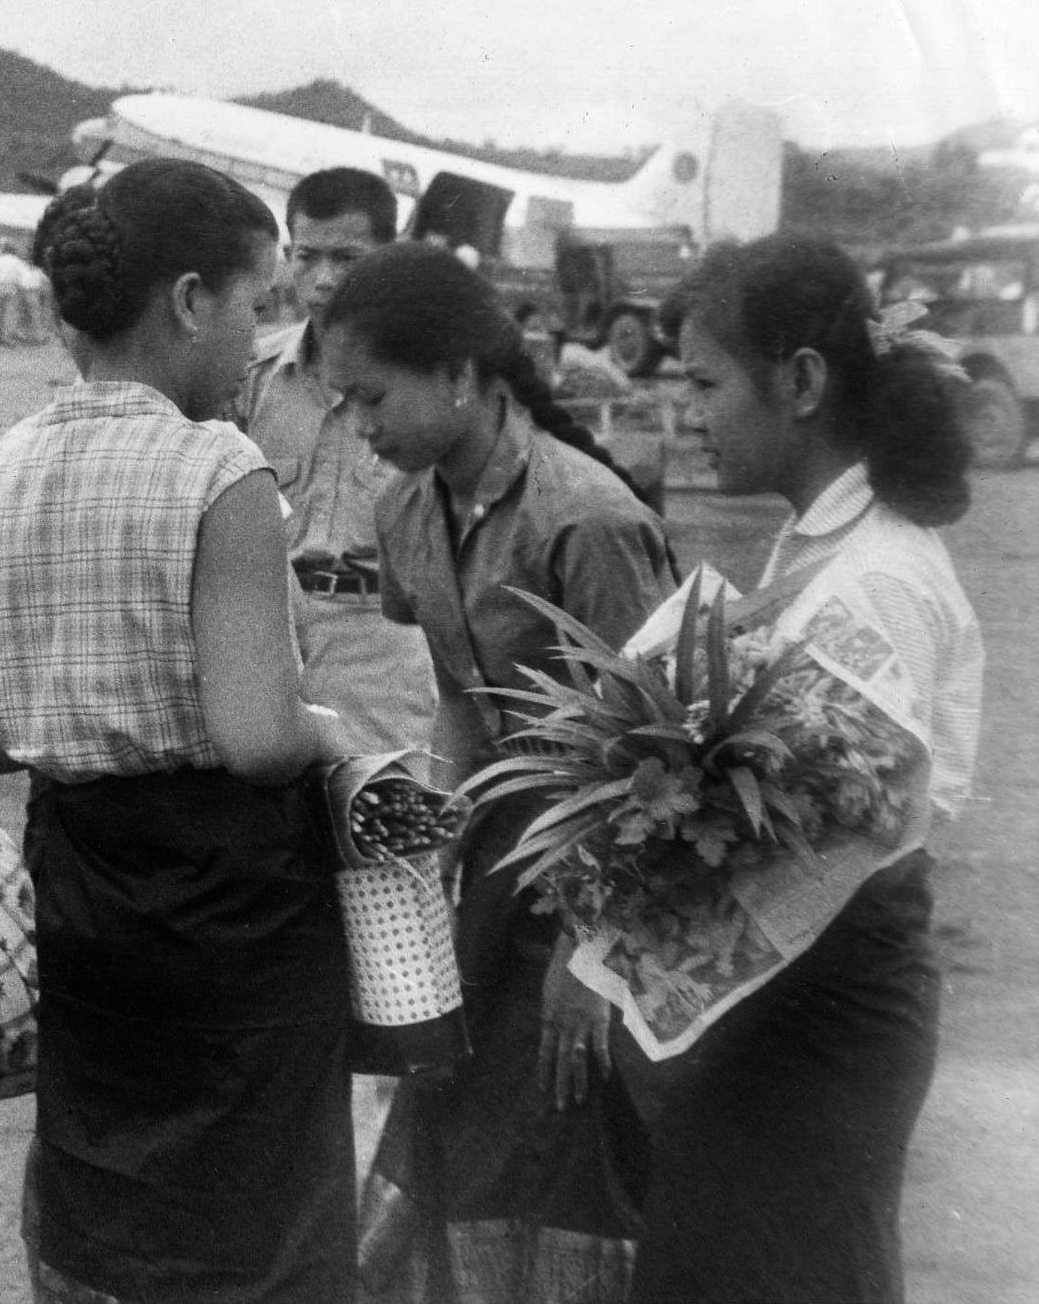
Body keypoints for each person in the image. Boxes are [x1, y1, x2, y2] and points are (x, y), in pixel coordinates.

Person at [0, 157, 359, 1303]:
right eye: (255, 304)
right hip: (229, 910)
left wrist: (72, 711)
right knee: (253, 1225)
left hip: (81, 887)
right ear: (191, 300)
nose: (257, 341)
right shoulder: (221, 467)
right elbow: (257, 738)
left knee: (101, 1198)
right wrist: (330, 730)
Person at [621, 232, 983, 1304]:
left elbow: (853, 820)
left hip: (826, 999)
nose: (689, 414)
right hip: (792, 989)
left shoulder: (878, 574)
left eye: (705, 384)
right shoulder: (824, 540)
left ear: (804, 381)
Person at [319, 241, 675, 1303]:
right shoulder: (404, 509)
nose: (359, 425)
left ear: (461, 376)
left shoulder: (588, 517)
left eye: (373, 397)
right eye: (345, 401)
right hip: (494, 877)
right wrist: (429, 848)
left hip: (601, 880)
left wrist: (590, 954)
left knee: (567, 1138)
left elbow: (655, 759)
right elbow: (458, 701)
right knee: (463, 1130)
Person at [237, 167, 437, 754]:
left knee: (385, 802)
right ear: (287, 257)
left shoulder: (431, 387)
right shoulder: (251, 377)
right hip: (268, 647)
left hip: (385, 653)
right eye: (307, 257)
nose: (324, 278)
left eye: (347, 258)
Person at [0, 235, 24, 345]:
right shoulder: (17, 260)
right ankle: (8, 337)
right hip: (11, 286)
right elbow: (20, 275)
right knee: (10, 312)